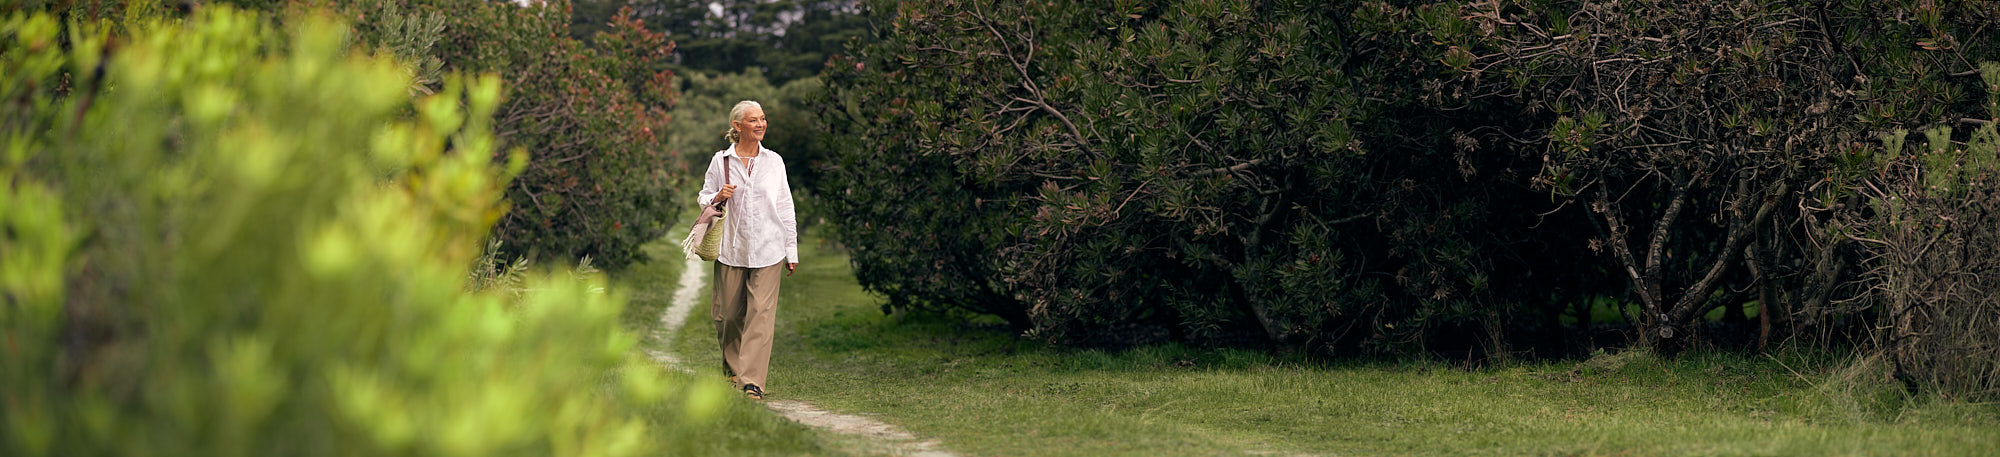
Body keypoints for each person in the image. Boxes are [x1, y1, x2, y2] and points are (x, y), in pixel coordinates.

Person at [696, 100, 798, 401]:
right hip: (732, 248)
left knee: (761, 315)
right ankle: (731, 369)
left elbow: (784, 206)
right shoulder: (721, 162)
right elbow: (704, 198)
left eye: (763, 119)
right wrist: (717, 196)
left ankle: (752, 381)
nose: (761, 124)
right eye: (753, 120)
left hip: (769, 247)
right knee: (727, 315)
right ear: (738, 126)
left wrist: (791, 249)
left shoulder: (774, 162)